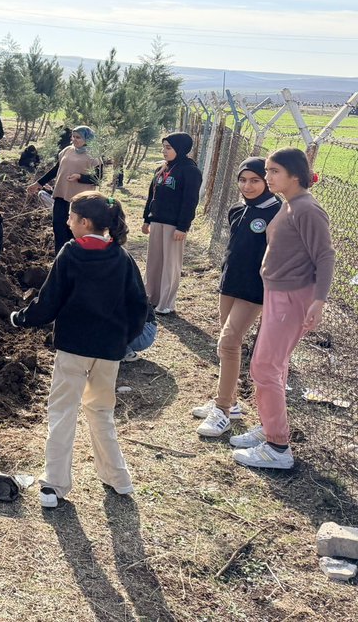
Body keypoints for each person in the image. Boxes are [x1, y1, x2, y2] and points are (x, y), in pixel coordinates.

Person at [11, 192, 149, 508]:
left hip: (73, 348)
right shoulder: (122, 257)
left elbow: (48, 302)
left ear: (84, 222)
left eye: (70, 217)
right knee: (101, 412)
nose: (66, 222)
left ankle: (53, 485)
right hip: (109, 351)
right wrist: (123, 338)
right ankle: (119, 479)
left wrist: (22, 318)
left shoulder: (71, 254)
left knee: (62, 412)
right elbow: (139, 305)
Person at [230, 148, 335, 470]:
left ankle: (277, 447)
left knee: (264, 367)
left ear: (295, 175)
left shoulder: (307, 209)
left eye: (274, 171)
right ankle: (270, 425)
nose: (268, 177)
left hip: (293, 297)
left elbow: (326, 256)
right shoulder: (290, 205)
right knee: (275, 366)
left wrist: (318, 300)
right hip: (278, 293)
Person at [192, 158, 281, 437]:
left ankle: (222, 411)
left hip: (254, 289)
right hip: (229, 283)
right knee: (225, 341)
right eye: (242, 180)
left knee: (229, 341)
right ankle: (230, 399)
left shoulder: (276, 211)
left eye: (255, 180)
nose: (247, 185)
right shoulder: (237, 209)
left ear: (267, 181)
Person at [141, 132, 203, 315]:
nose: (164, 151)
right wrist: (147, 218)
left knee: (170, 264)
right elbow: (151, 196)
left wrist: (183, 226)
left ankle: (166, 303)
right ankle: (150, 297)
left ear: (181, 149)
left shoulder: (190, 171)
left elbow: (190, 201)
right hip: (157, 220)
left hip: (174, 225)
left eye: (169, 148)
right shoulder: (161, 169)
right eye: (163, 147)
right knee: (154, 261)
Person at [27, 125, 102, 255]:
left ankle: (75, 258)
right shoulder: (67, 151)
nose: (74, 139)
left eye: (78, 137)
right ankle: (60, 258)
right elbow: (56, 170)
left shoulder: (93, 156)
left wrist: (80, 177)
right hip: (61, 195)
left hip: (81, 201)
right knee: (58, 227)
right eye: (73, 136)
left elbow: (98, 178)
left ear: (87, 139)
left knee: (74, 230)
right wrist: (39, 183)